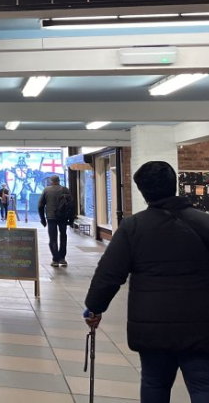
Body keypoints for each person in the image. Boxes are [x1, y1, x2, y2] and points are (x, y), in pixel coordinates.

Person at [83, 161, 209, 403]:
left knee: (154, 384)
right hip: (201, 326)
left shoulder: (133, 227)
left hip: (152, 328)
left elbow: (109, 274)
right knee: (203, 385)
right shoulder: (204, 223)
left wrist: (94, 307)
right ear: (175, 186)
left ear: (142, 191)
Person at [38, 175, 72, 266]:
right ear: (59, 181)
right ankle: (62, 258)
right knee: (63, 236)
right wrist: (71, 219)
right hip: (63, 217)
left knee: (53, 238)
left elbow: (40, 205)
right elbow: (71, 205)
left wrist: (42, 219)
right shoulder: (65, 189)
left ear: (51, 181)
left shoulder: (46, 190)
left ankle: (55, 259)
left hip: (51, 217)